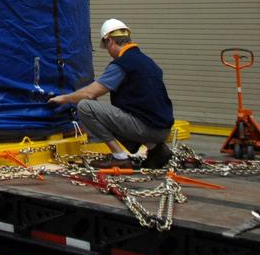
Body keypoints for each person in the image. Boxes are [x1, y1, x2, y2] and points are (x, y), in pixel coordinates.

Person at [48, 18, 175, 169]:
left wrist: (63, 98)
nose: (108, 52)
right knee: (122, 112)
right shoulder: (147, 61)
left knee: (85, 107)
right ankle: (156, 150)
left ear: (109, 41)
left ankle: (119, 157)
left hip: (146, 128)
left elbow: (90, 93)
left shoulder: (122, 64)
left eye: (106, 46)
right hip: (163, 129)